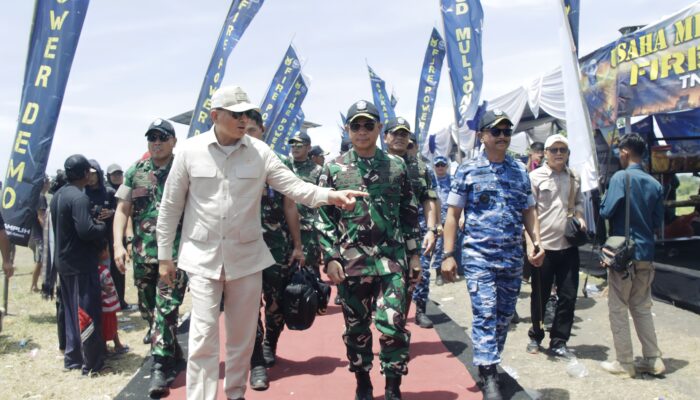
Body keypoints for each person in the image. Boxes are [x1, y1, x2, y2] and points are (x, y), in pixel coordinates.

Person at [156, 85, 364, 400]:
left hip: (246, 259)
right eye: (236, 114)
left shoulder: (260, 152)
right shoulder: (189, 151)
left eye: (247, 114)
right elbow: (170, 207)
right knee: (202, 337)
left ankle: (236, 392)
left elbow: (296, 188)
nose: (243, 120)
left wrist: (331, 196)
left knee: (241, 336)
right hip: (201, 258)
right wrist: (163, 257)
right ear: (215, 116)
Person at [318, 100, 422, 400]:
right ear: (347, 129)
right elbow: (324, 217)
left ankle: (392, 386)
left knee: (393, 325)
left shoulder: (396, 165)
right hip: (353, 262)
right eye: (356, 125)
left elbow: (408, 211)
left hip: (392, 260)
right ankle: (362, 381)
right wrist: (331, 256)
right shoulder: (334, 167)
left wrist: (414, 254)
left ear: (379, 128)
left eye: (368, 125)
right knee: (356, 328)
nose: (362, 131)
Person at [441, 110, 545, 400]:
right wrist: (448, 254)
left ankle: (490, 361)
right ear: (482, 135)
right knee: (486, 313)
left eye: (506, 131)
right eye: (496, 131)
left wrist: (535, 242)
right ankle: (489, 374)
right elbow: (452, 215)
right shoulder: (467, 169)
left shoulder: (520, 171)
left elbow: (528, 210)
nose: (502, 136)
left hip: (511, 257)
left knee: (503, 318)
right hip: (478, 257)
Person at [113, 118, 188, 396]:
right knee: (149, 310)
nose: (156, 142)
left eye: (162, 137)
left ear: (173, 141)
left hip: (176, 255)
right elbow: (122, 209)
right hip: (144, 254)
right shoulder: (136, 171)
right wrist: (119, 245)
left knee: (166, 308)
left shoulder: (184, 170)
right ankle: (173, 352)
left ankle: (160, 367)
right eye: (151, 138)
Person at [245, 109, 305, 391]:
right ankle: (256, 359)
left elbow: (290, 205)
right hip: (241, 248)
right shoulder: (232, 163)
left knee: (276, 301)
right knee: (246, 306)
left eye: (252, 130)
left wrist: (297, 245)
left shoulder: (277, 162)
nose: (247, 136)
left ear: (263, 130)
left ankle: (271, 341)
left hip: (275, 247)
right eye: (242, 130)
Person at [600, 133, 666, 378]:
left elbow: (606, 211)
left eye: (620, 151)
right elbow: (658, 221)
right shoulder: (655, 183)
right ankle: (653, 359)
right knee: (641, 306)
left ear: (626, 152)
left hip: (622, 256)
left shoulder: (620, 177)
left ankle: (625, 362)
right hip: (646, 253)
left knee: (618, 307)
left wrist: (602, 196)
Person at [526, 134, 586, 358]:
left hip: (568, 247)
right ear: (546, 154)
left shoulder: (574, 177)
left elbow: (579, 202)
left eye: (563, 149)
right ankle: (536, 335)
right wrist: (532, 244)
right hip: (544, 248)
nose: (559, 153)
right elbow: (528, 213)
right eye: (554, 150)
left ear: (568, 153)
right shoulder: (534, 177)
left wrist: (580, 216)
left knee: (568, 296)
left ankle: (559, 341)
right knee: (539, 296)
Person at [50, 154, 107, 375]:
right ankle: (91, 362)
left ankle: (72, 357)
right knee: (87, 311)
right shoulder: (79, 198)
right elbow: (86, 231)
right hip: (81, 263)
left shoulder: (59, 195)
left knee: (71, 313)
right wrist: (101, 225)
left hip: (64, 263)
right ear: (84, 173)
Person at [382, 117, 438, 329]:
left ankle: (408, 320)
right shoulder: (376, 162)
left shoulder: (420, 168)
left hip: (413, 235)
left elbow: (429, 199)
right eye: (395, 133)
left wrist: (432, 229)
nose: (399, 138)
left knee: (413, 281)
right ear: (385, 136)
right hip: (382, 236)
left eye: (404, 134)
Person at [285, 132, 324, 279]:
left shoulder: (317, 170)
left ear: (308, 147)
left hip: (308, 230)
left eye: (299, 144)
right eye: (292, 144)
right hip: (285, 228)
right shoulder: (283, 167)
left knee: (309, 271)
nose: (295, 147)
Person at [97, 247, 128, 355]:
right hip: (107, 305)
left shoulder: (100, 269)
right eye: (106, 250)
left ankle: (115, 345)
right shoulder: (102, 271)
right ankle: (107, 347)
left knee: (111, 324)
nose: (109, 252)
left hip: (108, 305)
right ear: (101, 253)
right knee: (108, 326)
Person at [30, 176, 50, 292]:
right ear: (44, 184)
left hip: (37, 234)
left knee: (40, 260)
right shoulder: (41, 197)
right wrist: (47, 230)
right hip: (40, 234)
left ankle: (35, 285)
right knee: (41, 260)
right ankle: (34, 285)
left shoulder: (37, 196)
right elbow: (40, 216)